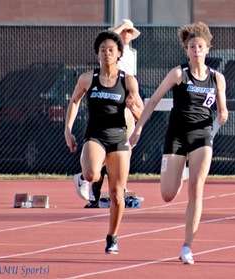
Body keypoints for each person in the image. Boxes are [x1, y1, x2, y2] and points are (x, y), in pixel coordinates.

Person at [129, 22, 228, 264]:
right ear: (186, 50)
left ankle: (187, 246)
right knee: (167, 194)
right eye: (192, 46)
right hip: (176, 135)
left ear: (207, 49)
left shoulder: (217, 78)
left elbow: (222, 110)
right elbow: (152, 101)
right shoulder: (178, 73)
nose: (196, 50)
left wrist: (222, 116)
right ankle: (181, 171)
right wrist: (138, 128)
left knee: (197, 188)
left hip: (202, 135)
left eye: (200, 46)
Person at [64, 30, 144, 253]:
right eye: (102, 50)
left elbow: (141, 114)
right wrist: (67, 130)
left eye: (111, 50)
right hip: (95, 135)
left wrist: (133, 107)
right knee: (91, 175)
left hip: (119, 139)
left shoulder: (127, 80)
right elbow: (74, 102)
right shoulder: (88, 78)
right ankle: (84, 175)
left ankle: (113, 237)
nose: (106, 53)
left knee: (117, 195)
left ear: (119, 53)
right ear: (97, 54)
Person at [75, 19, 141, 208]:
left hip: (124, 100)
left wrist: (135, 103)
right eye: (125, 31)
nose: (127, 34)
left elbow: (131, 79)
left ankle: (119, 185)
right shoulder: (109, 48)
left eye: (130, 31)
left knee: (124, 147)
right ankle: (90, 186)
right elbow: (106, 38)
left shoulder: (131, 53)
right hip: (107, 100)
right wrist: (118, 29)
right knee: (107, 146)